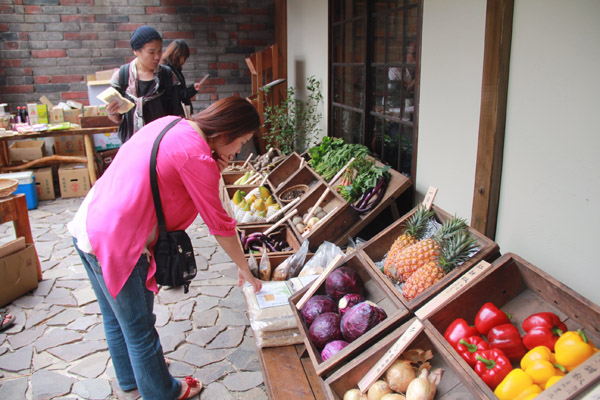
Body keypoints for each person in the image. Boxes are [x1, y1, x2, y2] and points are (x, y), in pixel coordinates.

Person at [68, 96, 263, 400]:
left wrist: (215, 164)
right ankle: (164, 392)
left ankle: (131, 377)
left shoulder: (171, 123)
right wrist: (243, 267)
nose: (239, 150)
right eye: (241, 141)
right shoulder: (197, 157)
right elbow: (219, 224)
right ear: (226, 132)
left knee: (115, 316)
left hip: (89, 222)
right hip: (118, 240)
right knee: (140, 329)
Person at [107, 25, 184, 143]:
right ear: (136, 51)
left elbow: (177, 115)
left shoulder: (168, 76)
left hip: (162, 145)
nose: (157, 57)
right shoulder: (122, 77)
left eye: (159, 51)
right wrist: (113, 113)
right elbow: (118, 118)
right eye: (151, 52)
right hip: (132, 145)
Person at [160, 39, 206, 115]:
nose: (183, 60)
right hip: (176, 112)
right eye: (183, 57)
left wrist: (192, 89)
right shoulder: (168, 71)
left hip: (178, 110)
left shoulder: (174, 69)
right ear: (177, 55)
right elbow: (177, 95)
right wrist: (192, 89)